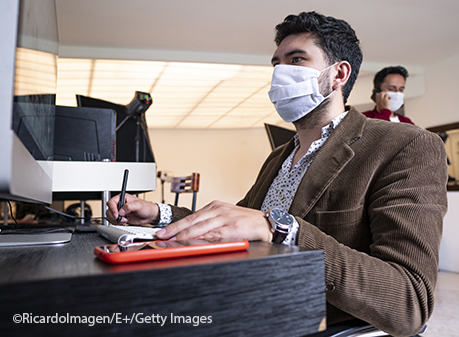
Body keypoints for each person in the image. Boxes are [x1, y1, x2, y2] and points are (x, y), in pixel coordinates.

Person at [106, 11, 447, 337]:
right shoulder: (277, 158)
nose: (281, 73)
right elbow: (238, 220)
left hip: (300, 318)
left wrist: (281, 229)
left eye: (296, 60)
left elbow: (410, 301)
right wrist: (160, 214)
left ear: (338, 74)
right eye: (276, 64)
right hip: (241, 293)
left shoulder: (406, 145)